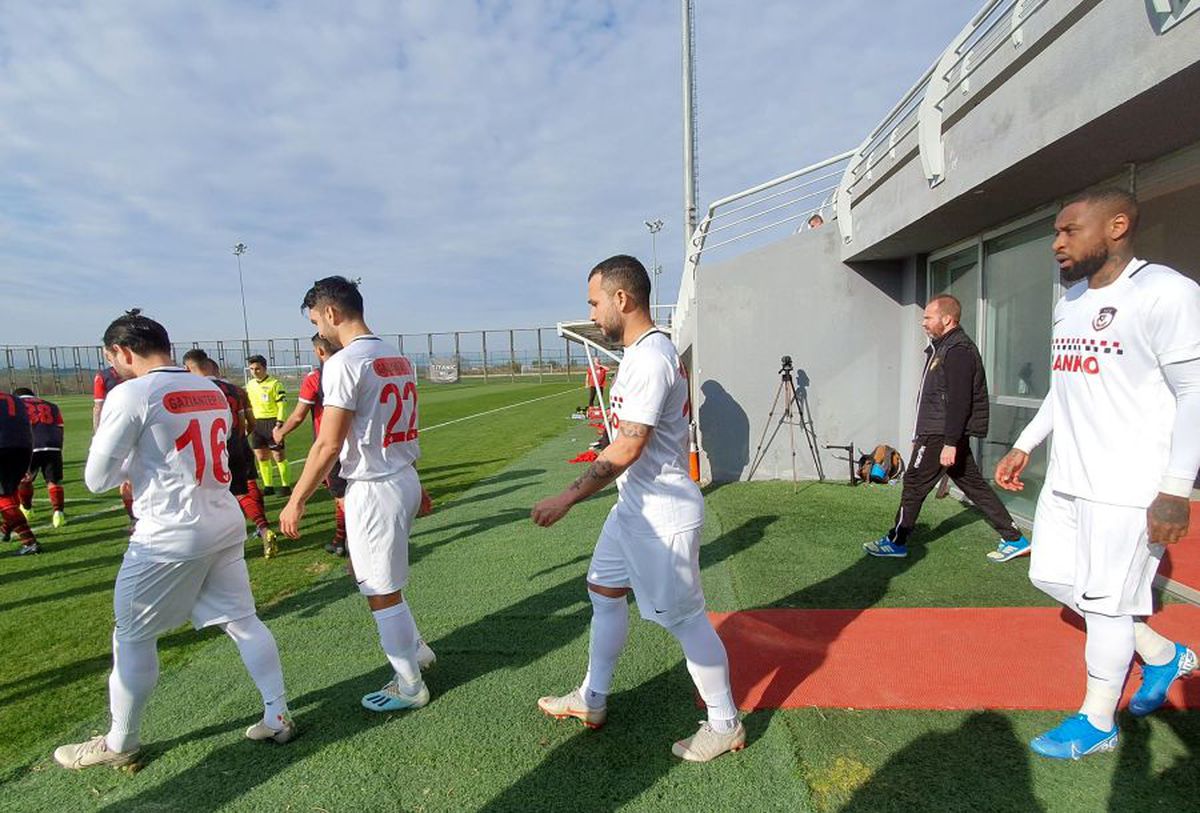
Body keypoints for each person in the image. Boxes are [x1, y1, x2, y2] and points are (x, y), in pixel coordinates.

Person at [994, 188, 1200, 760]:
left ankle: (1097, 721)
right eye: (1055, 233)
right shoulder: (1072, 298)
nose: (1057, 243)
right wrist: (1026, 443)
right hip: (1068, 479)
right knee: (1053, 578)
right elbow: (1067, 384)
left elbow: (1195, 393)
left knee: (1108, 605)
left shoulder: (1167, 293)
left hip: (1129, 486)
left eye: (1069, 231)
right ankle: (1162, 655)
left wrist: (1175, 490)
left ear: (1116, 226)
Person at [54, 310, 294, 770]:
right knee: (243, 621)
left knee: (132, 635)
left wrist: (133, 462)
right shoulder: (210, 387)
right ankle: (277, 712)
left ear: (122, 352)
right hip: (222, 519)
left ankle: (121, 740)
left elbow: (97, 479)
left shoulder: (132, 393)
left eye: (112, 357)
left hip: (168, 533)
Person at [532, 255, 744, 763]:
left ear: (621, 299)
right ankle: (592, 697)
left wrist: (566, 497)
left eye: (594, 301)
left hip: (662, 515)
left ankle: (725, 723)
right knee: (603, 590)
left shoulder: (650, 358)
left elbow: (627, 447)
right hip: (634, 510)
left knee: (687, 620)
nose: (592, 311)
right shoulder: (644, 353)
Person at [279, 277, 435, 712]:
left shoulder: (344, 362)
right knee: (375, 577)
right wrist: (417, 484)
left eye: (316, 320)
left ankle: (409, 685)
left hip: (373, 485)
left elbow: (328, 444)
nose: (318, 330)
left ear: (331, 313)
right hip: (402, 476)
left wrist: (297, 499)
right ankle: (416, 649)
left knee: (378, 588)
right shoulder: (397, 357)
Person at [864, 294, 1030, 562]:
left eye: (928, 317)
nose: (923, 323)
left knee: (915, 483)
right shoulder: (942, 348)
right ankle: (1015, 539)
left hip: (941, 434)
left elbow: (959, 400)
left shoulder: (958, 351)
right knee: (974, 485)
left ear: (947, 319)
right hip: (939, 432)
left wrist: (950, 442)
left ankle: (897, 541)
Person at [181, 350, 279, 559]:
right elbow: (248, 422)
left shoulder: (194, 391)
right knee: (250, 484)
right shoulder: (235, 390)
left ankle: (249, 532)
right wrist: (242, 437)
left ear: (189, 368)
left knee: (224, 495)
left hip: (215, 448)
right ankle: (262, 527)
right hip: (239, 442)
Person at [275, 334, 349, 556]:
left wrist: (279, 433)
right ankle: (342, 539)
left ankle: (348, 541)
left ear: (319, 351)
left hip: (329, 444)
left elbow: (297, 416)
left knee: (342, 497)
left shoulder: (316, 378)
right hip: (356, 443)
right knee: (349, 494)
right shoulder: (351, 371)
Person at [13, 387, 67, 528]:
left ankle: (27, 509)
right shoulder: (51, 405)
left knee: (25, 479)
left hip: (30, 445)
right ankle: (58, 513)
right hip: (53, 446)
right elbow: (60, 426)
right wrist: (58, 446)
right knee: (54, 481)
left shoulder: (16, 404)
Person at [93, 363, 136, 527]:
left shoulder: (103, 376)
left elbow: (98, 406)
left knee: (125, 479)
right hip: (144, 427)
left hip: (117, 430)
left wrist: (98, 433)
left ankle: (134, 519)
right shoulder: (139, 370)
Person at [0, 390, 39, 555]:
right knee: (9, 491)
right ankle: (5, 529)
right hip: (24, 447)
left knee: (3, 497)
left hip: (3, 446)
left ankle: (29, 541)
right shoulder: (13, 398)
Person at [245, 355, 291, 496]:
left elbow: (282, 405)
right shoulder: (250, 385)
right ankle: (268, 486)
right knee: (261, 457)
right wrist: (248, 421)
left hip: (272, 423)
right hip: (257, 424)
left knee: (278, 456)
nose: (255, 371)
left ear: (264, 368)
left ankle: (285, 486)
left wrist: (279, 423)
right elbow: (249, 405)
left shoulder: (275, 384)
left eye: (258, 368)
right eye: (252, 369)